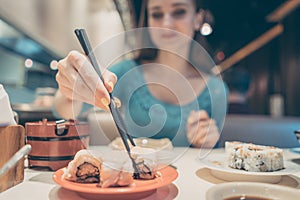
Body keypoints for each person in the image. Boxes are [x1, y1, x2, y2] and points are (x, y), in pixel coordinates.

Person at [54, 0, 228, 148]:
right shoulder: (127, 72)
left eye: (179, 12)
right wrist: (70, 89)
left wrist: (207, 141)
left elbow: (212, 154)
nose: (166, 23)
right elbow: (64, 111)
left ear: (198, 19)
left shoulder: (216, 89)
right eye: (157, 14)